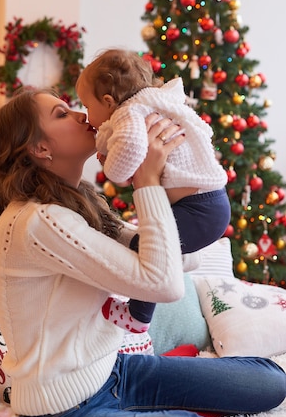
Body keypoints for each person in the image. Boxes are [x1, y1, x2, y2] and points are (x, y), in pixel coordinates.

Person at [0, 87, 286, 417]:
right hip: (63, 411)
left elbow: (173, 259)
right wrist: (147, 183)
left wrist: (179, 179)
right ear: (39, 148)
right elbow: (161, 283)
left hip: (115, 372)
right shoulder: (38, 222)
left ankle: (146, 412)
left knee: (270, 383)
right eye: (60, 113)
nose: (78, 114)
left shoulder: (80, 204)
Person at [76, 48, 231, 332]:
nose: (87, 116)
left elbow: (131, 151)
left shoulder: (129, 112)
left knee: (145, 246)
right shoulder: (151, 102)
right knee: (151, 242)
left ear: (108, 101)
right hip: (207, 206)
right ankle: (180, 258)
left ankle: (138, 317)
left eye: (87, 106)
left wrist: (111, 166)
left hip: (200, 209)